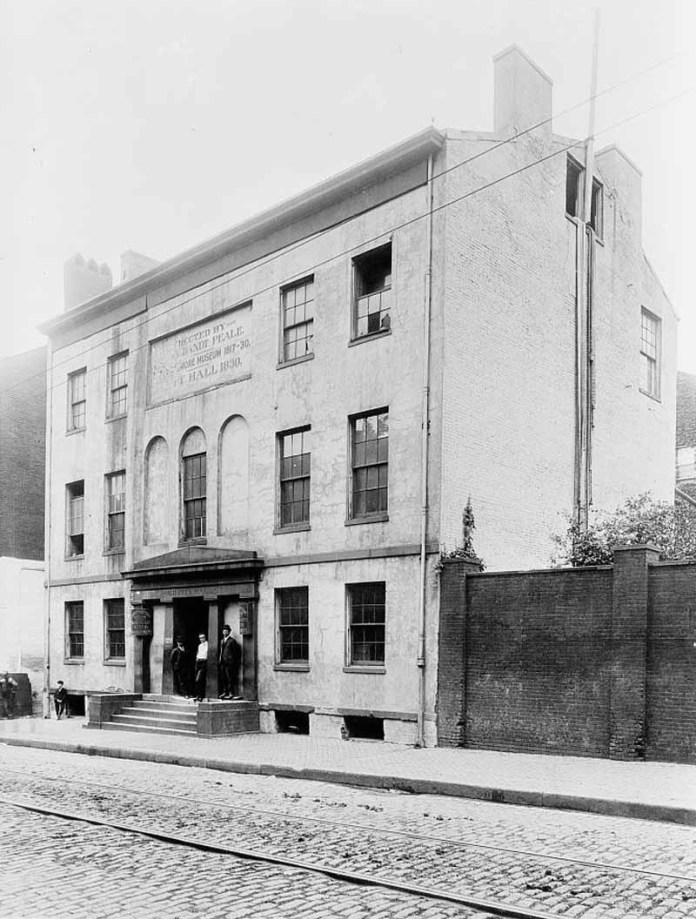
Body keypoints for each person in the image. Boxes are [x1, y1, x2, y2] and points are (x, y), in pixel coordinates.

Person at [218, 625, 241, 700]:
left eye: (226, 631)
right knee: (223, 678)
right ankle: (225, 692)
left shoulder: (232, 641)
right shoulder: (222, 641)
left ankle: (231, 692)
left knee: (230, 678)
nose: (225, 632)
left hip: (230, 663)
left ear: (229, 632)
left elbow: (236, 653)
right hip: (223, 662)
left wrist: (233, 661)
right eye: (224, 631)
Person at [194, 633, 208, 702]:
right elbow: (198, 654)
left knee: (199, 679)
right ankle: (198, 695)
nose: (201, 639)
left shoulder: (208, 645)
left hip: (204, 662)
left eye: (203, 637)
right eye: (200, 638)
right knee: (197, 680)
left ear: (205, 638)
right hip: (198, 662)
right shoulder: (200, 645)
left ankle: (201, 695)